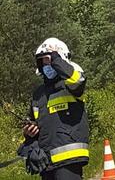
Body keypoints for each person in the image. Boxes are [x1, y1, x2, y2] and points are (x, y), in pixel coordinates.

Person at [19, 38, 89, 180]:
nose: (46, 65)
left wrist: (55, 59)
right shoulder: (38, 94)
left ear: (60, 58)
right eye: (43, 61)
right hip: (46, 163)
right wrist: (31, 140)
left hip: (70, 160)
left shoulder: (69, 85)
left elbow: (77, 80)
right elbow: (34, 125)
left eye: (49, 60)